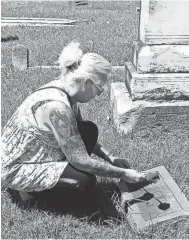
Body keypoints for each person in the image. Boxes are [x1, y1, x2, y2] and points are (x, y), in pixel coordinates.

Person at [1, 41, 158, 202]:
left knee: (88, 130)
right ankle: (30, 193)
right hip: (15, 168)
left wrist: (111, 158)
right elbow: (80, 160)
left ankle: (49, 180)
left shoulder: (65, 90)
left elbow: (77, 137)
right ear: (87, 82)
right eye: (99, 88)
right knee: (83, 181)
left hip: (33, 154)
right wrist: (124, 174)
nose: (98, 94)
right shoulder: (57, 108)